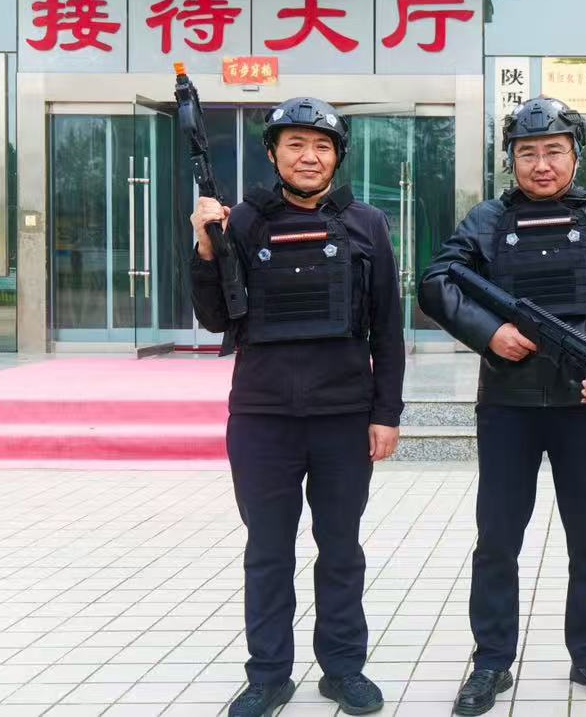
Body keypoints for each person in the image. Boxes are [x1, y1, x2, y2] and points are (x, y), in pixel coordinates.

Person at [419, 97, 586, 715]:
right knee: (497, 538)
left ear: (575, 155)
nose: (541, 165)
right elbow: (436, 282)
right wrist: (489, 332)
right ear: (512, 160)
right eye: (528, 154)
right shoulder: (486, 219)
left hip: (582, 403)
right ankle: (491, 662)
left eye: (554, 152)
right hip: (507, 403)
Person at [190, 96, 405, 717]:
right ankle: (268, 676)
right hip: (263, 417)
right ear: (273, 153)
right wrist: (204, 244)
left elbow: (387, 328)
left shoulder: (367, 223)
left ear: (338, 156)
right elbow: (213, 317)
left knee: (341, 548)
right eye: (295, 144)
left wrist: (386, 413)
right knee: (268, 550)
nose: (309, 157)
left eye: (322, 146)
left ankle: (343, 669)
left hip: (344, 416)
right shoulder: (240, 221)